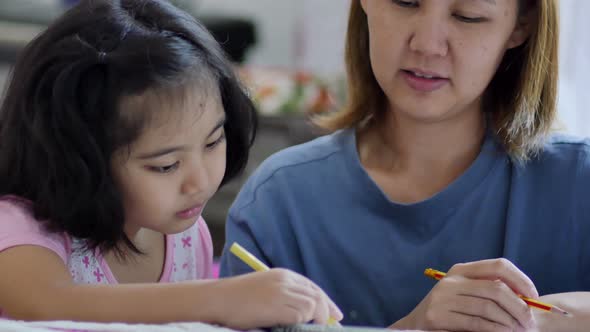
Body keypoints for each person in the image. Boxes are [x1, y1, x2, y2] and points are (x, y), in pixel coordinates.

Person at [220, 0, 590, 331]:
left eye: (468, 16)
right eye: (405, 2)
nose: (427, 45)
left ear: (521, 25)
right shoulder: (278, 203)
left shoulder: (578, 182)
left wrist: (533, 318)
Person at [0, 0, 343, 329]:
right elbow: (47, 306)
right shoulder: (18, 226)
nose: (199, 182)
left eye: (213, 142)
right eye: (166, 165)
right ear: (77, 159)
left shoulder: (184, 237)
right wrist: (220, 298)